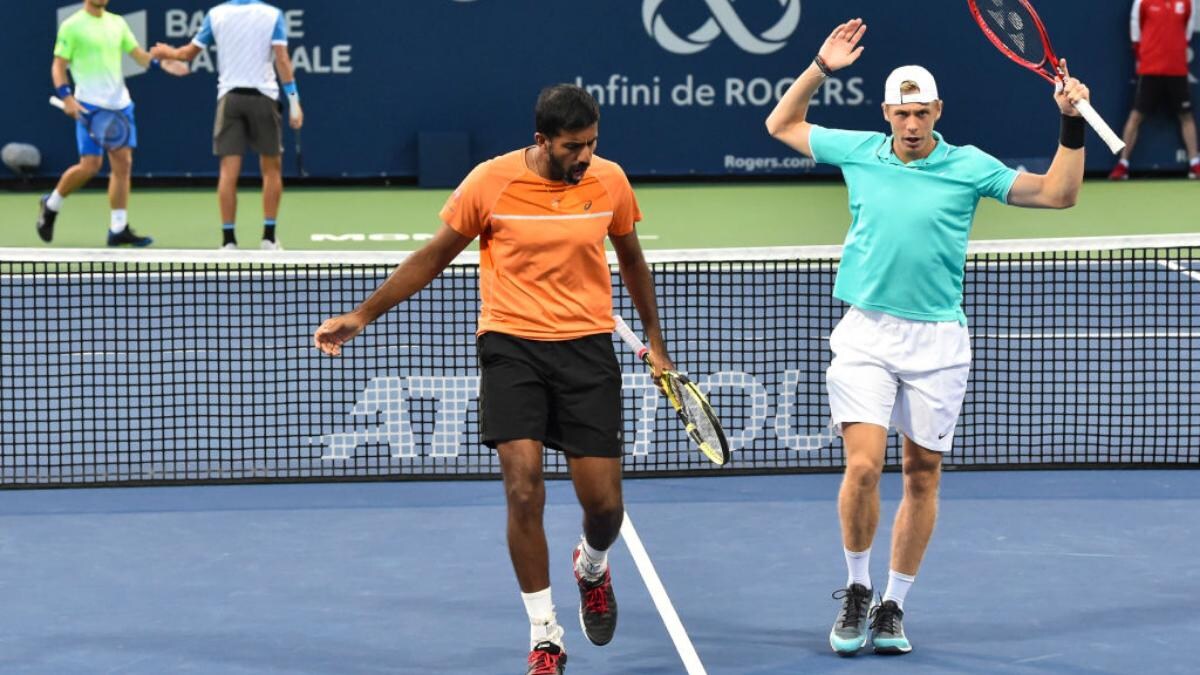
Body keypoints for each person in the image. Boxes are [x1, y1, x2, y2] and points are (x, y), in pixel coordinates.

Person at [313, 84, 672, 675]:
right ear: (541, 141)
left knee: (605, 507)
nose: (584, 156)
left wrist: (655, 342)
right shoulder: (490, 182)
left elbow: (631, 258)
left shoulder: (609, 180)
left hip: (586, 349)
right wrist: (362, 314)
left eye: (592, 143)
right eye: (573, 147)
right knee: (523, 487)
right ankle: (545, 635)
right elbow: (433, 255)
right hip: (511, 347)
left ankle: (592, 567)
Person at [766, 18, 1087, 656]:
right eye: (901, 112)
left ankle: (893, 605)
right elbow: (780, 125)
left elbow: (1059, 194)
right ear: (886, 112)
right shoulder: (859, 150)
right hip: (866, 334)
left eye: (921, 112)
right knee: (862, 467)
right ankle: (857, 590)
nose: (911, 124)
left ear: (937, 110)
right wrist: (820, 70)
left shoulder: (969, 166)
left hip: (938, 341)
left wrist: (1070, 122)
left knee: (922, 474)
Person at [150, 0, 304, 250]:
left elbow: (187, 54)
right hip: (263, 98)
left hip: (230, 100)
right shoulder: (272, 15)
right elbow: (283, 60)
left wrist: (166, 52)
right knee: (272, 170)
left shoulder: (216, 14)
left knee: (227, 172)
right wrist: (295, 102)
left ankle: (228, 242)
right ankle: (268, 238)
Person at [37, 0, 188, 247]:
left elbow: (139, 56)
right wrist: (67, 97)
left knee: (123, 165)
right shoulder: (71, 26)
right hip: (89, 105)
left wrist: (161, 63)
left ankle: (118, 228)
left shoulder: (118, 23)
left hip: (120, 105)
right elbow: (59, 65)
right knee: (90, 166)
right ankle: (51, 205)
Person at [1109, 0, 1199, 180]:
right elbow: (1136, 30)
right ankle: (1123, 164)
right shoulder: (1142, 2)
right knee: (1136, 116)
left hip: (1177, 69)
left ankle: (1195, 164)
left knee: (1186, 116)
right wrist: (1146, 52)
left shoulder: (1187, 3)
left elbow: (1187, 32)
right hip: (1150, 68)